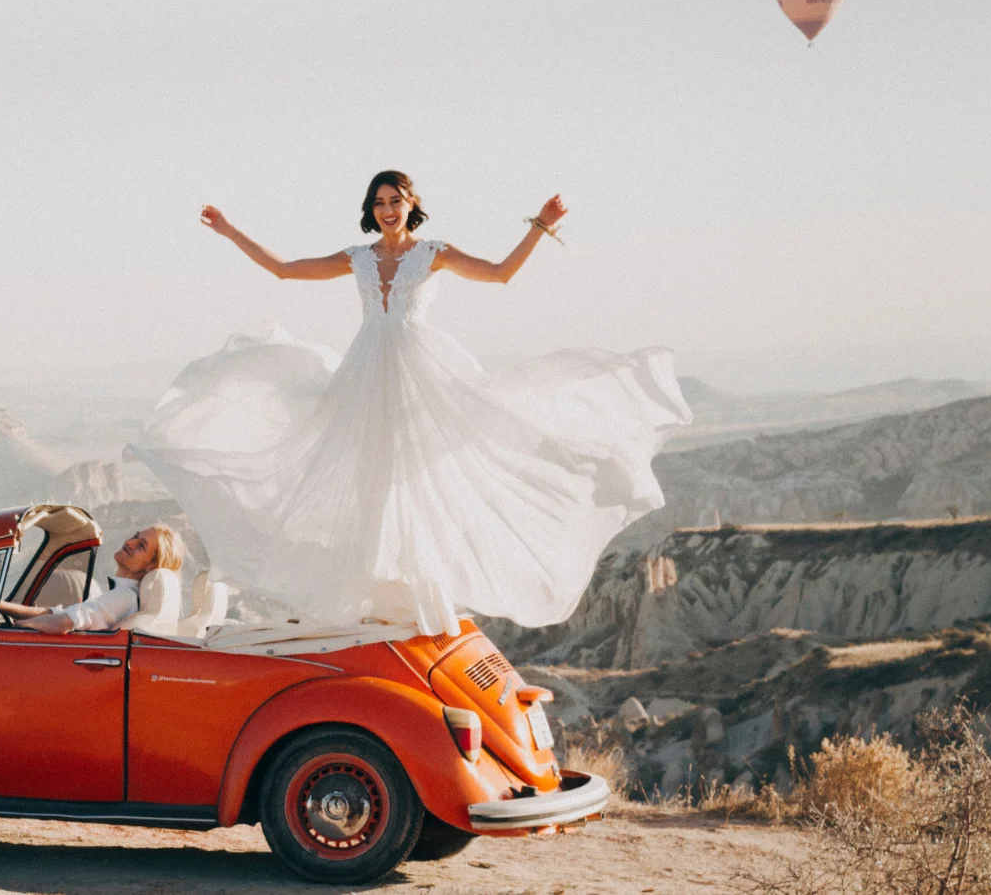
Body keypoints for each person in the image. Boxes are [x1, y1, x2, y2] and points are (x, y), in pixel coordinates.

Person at [126, 171, 692, 638]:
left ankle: (422, 600)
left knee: (419, 484)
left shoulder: (433, 254)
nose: (387, 209)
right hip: (366, 377)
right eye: (379, 202)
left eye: (396, 200)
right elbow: (283, 269)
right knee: (363, 481)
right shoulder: (358, 257)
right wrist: (229, 230)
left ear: (412, 204)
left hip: (421, 377)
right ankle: (372, 604)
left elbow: (499, 275)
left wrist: (541, 227)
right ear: (370, 210)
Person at [0, 525, 184, 634]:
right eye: (136, 536)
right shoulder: (124, 598)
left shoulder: (123, 597)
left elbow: (64, 622)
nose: (130, 542)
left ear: (151, 566)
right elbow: (60, 613)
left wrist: (18, 627)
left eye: (141, 546)